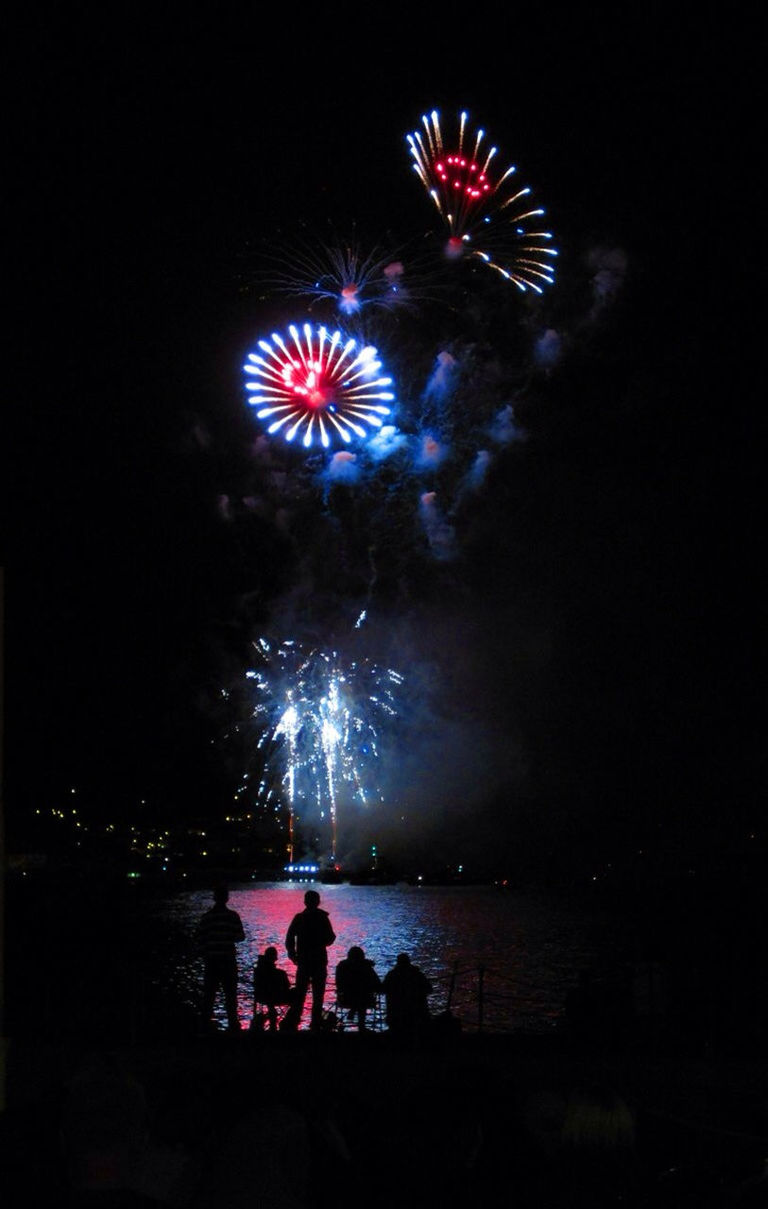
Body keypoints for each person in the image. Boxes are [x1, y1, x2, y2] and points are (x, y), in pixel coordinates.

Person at [283, 889, 336, 1030]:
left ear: (305, 902)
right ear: (318, 902)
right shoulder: (322, 918)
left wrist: (293, 955)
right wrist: (321, 942)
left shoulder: (299, 918)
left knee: (300, 994)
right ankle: (315, 1024)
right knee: (318, 995)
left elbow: (289, 939)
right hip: (318, 961)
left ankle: (294, 1023)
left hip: (304, 961)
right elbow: (331, 937)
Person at [198, 884, 245, 1032]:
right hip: (228, 960)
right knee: (230, 995)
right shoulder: (233, 916)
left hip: (211, 960)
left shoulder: (206, 918)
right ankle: (233, 1025)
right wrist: (228, 936)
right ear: (227, 898)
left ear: (214, 898)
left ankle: (205, 1025)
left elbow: (199, 938)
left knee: (209, 995)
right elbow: (240, 936)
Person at [382, 952, 432, 1041]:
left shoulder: (392, 975)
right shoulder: (417, 974)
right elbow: (429, 989)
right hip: (416, 1011)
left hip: (395, 1012)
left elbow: (383, 989)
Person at [335, 945, 382, 1031]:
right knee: (362, 993)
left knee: (358, 992)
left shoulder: (341, 966)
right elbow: (377, 983)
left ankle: (353, 1009)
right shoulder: (366, 967)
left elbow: (338, 983)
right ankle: (361, 1025)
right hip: (366, 999)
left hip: (345, 999)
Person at [252, 945, 292, 1032]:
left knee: (269, 997)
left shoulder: (258, 971)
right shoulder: (280, 974)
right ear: (274, 959)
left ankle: (273, 1022)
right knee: (297, 996)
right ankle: (289, 1022)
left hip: (261, 996)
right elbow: (286, 987)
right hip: (276, 997)